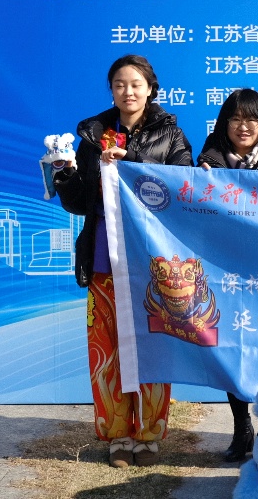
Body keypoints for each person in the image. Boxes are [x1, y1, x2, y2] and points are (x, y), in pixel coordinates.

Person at [53, 55, 193, 469]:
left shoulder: (171, 135)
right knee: (107, 349)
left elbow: (184, 189)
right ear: (111, 90)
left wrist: (131, 167)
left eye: (135, 84)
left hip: (152, 258)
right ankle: (117, 435)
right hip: (103, 256)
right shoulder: (93, 135)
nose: (127, 91)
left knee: (154, 345)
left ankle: (149, 434)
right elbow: (78, 202)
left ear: (151, 89)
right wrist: (66, 174)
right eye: (119, 84)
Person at [196, 89, 258, 462]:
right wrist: (201, 183)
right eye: (235, 119)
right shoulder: (207, 164)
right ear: (224, 125)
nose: (243, 126)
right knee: (231, 348)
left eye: (251, 118)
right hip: (223, 270)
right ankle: (241, 428)